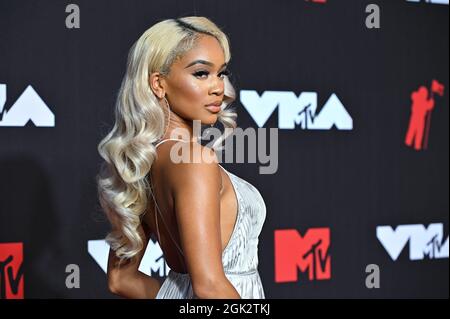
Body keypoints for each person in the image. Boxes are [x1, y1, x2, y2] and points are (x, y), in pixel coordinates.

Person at [96, 16, 266, 299]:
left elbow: (120, 279)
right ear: (158, 84)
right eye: (201, 73)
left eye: (220, 73)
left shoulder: (142, 165)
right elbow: (210, 287)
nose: (218, 87)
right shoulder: (194, 161)